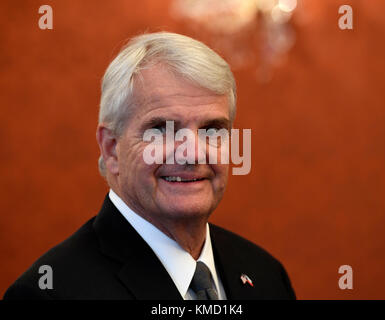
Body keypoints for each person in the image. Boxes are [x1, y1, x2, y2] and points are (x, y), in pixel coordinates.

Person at [4, 32, 296, 300]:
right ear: (112, 148)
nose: (191, 153)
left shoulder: (267, 275)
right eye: (161, 129)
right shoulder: (47, 295)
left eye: (211, 130)